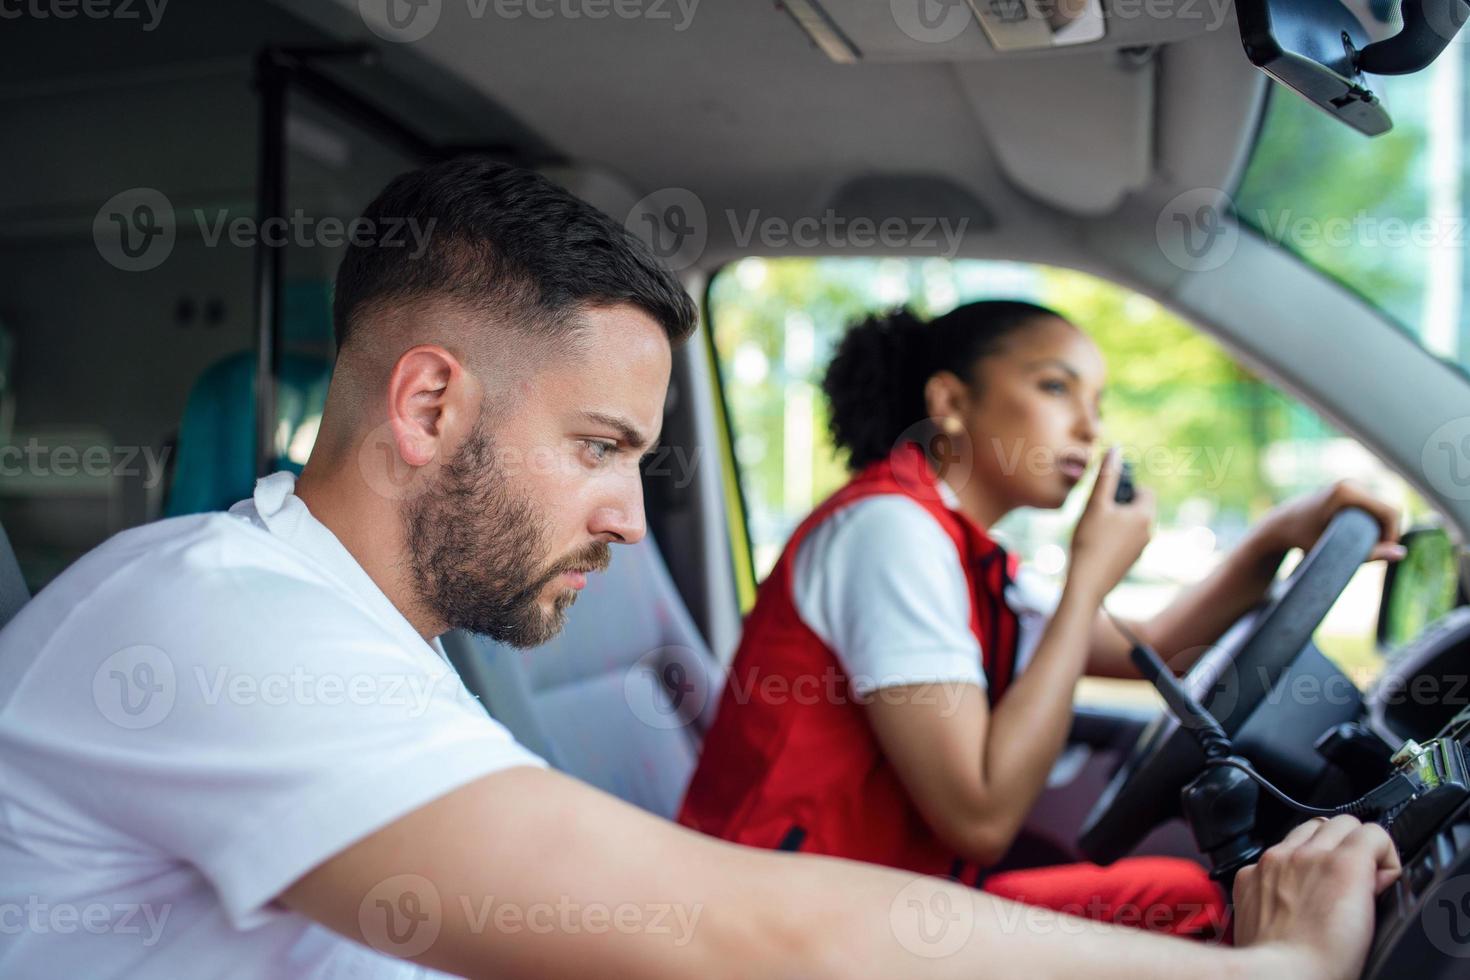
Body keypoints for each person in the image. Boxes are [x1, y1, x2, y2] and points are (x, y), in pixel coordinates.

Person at [0, 160, 1400, 979]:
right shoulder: (218, 621)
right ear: (428, 409)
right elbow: (740, 926)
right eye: (599, 446)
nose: (624, 515)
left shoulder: (370, 636)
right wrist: (1270, 972)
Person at [679, 302, 1406, 937]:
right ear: (950, 402)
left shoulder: (958, 549)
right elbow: (982, 818)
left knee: (1170, 893)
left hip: (871, 896)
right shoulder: (890, 532)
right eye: (1056, 387)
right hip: (787, 920)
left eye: (1097, 400)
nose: (1089, 427)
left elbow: (1150, 650)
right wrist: (1088, 575)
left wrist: (1274, 535)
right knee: (1199, 903)